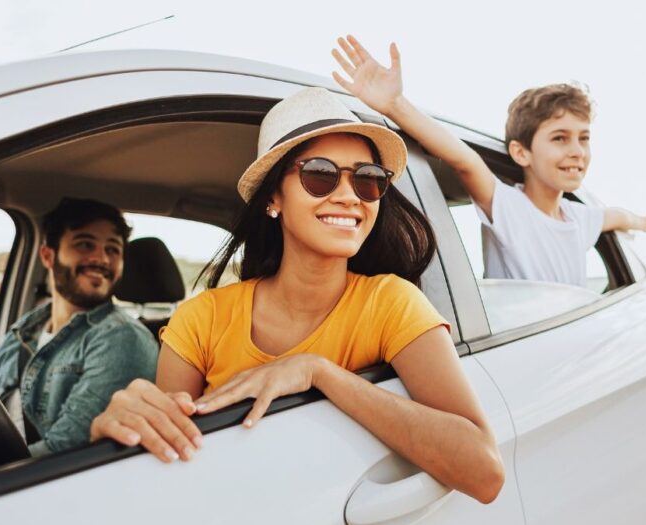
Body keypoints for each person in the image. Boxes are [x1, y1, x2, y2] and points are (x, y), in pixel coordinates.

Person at [90, 87, 505, 503]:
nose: (349, 195)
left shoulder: (391, 303)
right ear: (273, 197)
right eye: (321, 174)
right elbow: (164, 466)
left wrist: (319, 373)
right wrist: (119, 432)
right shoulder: (201, 319)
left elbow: (484, 472)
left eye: (367, 179)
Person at [331, 35, 646, 287]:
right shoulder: (509, 207)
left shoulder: (581, 217)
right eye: (560, 138)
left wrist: (644, 221)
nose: (577, 150)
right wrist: (395, 105)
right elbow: (465, 160)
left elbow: (618, 216)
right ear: (521, 153)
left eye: (584, 138)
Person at [0, 198, 158, 455]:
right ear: (48, 256)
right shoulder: (23, 329)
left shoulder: (121, 338)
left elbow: (65, 452)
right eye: (85, 244)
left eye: (113, 249)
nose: (101, 258)